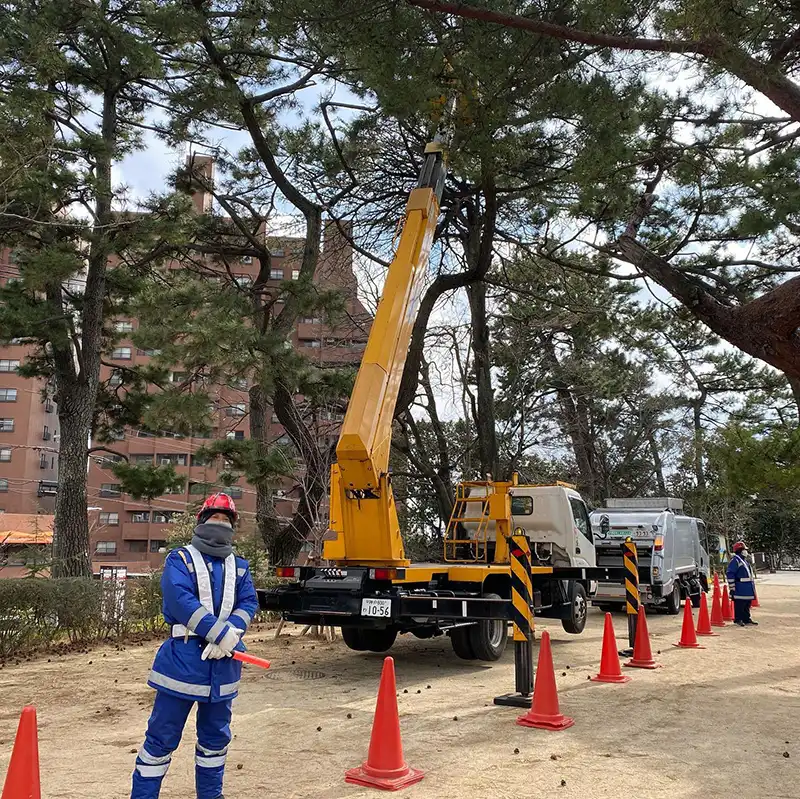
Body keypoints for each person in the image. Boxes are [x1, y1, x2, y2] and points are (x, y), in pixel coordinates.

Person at [130, 492, 259, 799]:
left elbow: (248, 600)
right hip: (183, 663)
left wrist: (232, 632)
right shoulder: (180, 559)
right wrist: (218, 633)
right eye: (214, 517)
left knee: (215, 741)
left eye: (226, 519)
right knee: (161, 739)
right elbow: (179, 599)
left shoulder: (239, 566)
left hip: (224, 665)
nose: (220, 523)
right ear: (202, 521)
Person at [726, 540, 757, 627]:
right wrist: (732, 588)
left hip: (747, 587)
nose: (746, 551)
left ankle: (746, 619)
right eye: (744, 549)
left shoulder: (744, 561)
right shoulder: (735, 561)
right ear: (739, 551)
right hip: (740, 587)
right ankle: (738, 619)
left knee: (747, 604)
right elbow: (730, 573)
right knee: (740, 604)